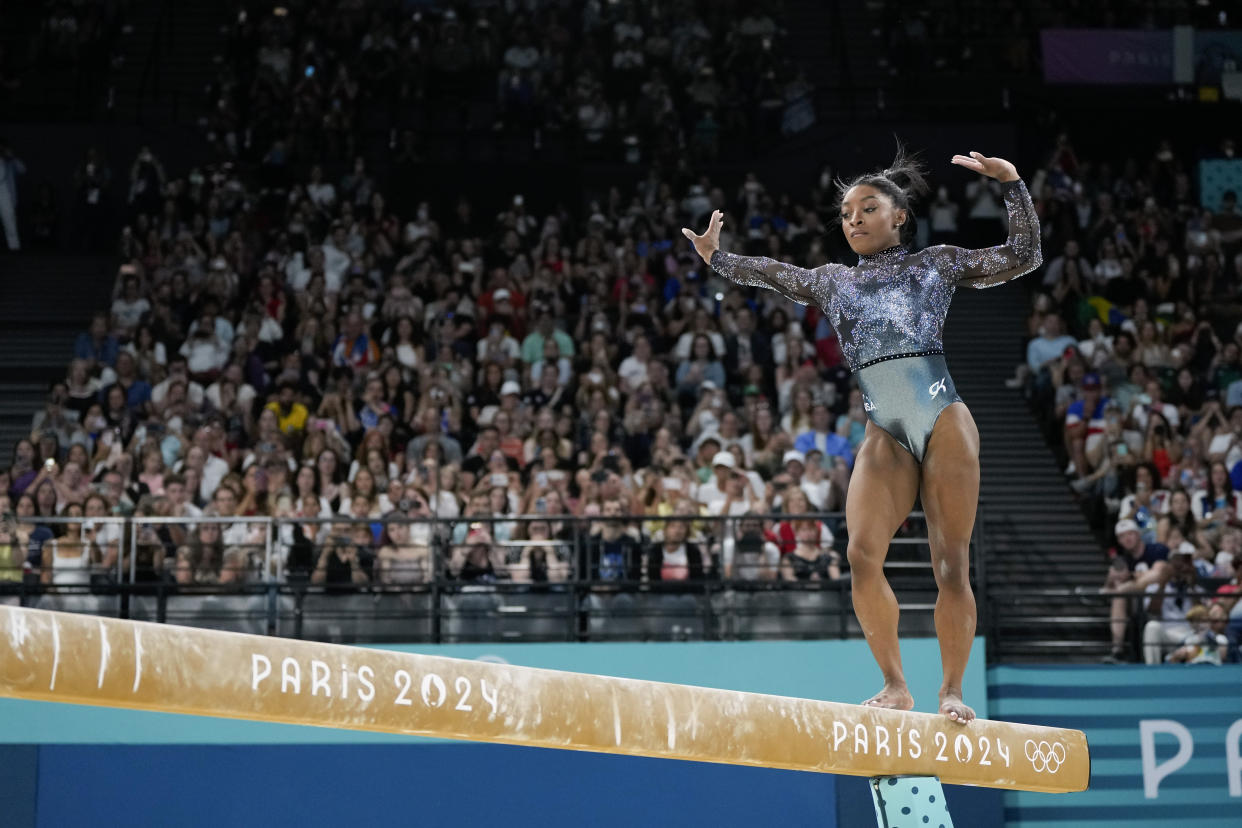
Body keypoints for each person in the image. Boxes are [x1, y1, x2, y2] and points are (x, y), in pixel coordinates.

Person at [686, 147, 1042, 722]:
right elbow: (775, 273)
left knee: (950, 562)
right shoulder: (831, 282)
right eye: (846, 213)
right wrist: (715, 258)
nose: (852, 220)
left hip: (943, 418)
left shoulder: (935, 264)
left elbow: (1023, 256)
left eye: (867, 208)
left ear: (899, 215)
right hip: (886, 429)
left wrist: (1013, 185)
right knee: (860, 553)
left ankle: (951, 690)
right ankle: (896, 685)